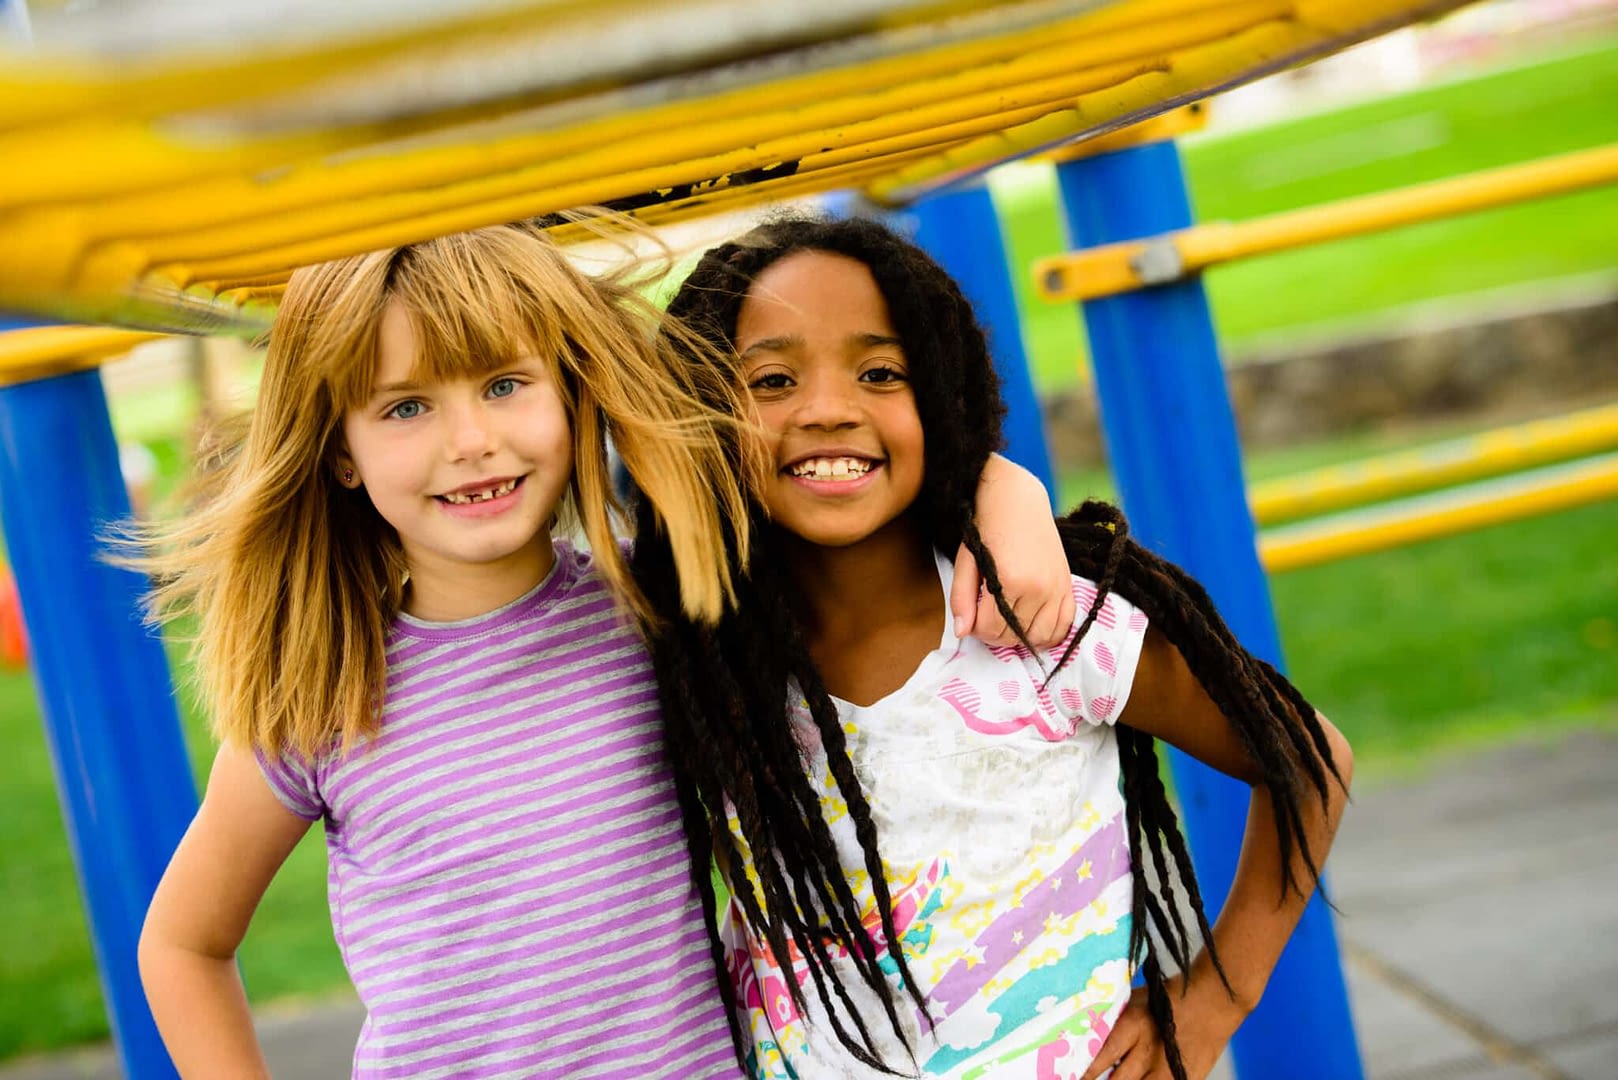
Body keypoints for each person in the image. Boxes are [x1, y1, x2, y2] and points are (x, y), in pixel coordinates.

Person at [131, 222, 1074, 1079]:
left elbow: (836, 502)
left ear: (573, 397)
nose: (471, 441)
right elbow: (182, 945)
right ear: (342, 450)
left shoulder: (663, 605)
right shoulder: (326, 691)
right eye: (404, 408)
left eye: (505, 386)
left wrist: (1002, 491)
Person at [631, 215, 1355, 1080]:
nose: (827, 409)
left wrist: (1213, 998)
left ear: (943, 391)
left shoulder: (1042, 618)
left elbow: (1310, 759)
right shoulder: (703, 653)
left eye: (881, 372)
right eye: (773, 380)